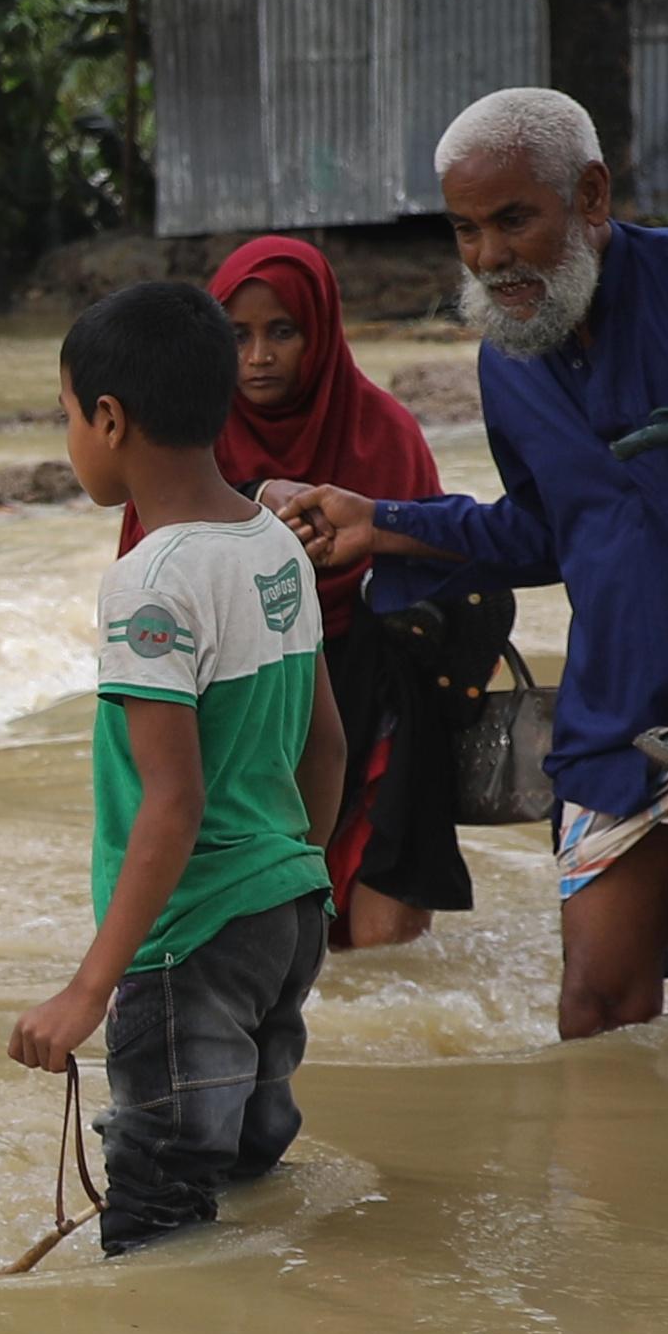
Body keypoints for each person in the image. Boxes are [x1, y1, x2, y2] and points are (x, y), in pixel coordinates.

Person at [270, 90, 668, 1043]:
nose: (490, 257)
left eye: (511, 220)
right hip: (618, 705)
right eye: (464, 229)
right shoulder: (512, 355)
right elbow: (550, 532)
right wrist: (382, 523)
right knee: (594, 1011)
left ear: (588, 197)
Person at [11, 280, 347, 1254]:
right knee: (243, 1168)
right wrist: (296, 874)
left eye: (65, 413)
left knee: (157, 1214)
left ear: (109, 419)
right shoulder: (271, 548)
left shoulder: (148, 581)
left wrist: (86, 990)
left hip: (191, 936)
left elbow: (171, 801)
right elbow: (323, 741)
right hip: (285, 913)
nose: (68, 433)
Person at [146, 234, 488, 953]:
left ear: (322, 334)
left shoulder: (383, 430)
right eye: (235, 336)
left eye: (282, 332)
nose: (258, 357)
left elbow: (443, 557)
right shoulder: (186, 438)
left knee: (382, 951)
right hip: (248, 711)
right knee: (257, 934)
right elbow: (146, 571)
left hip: (386, 699)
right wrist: (254, 501)